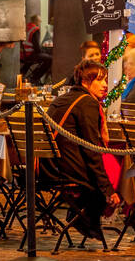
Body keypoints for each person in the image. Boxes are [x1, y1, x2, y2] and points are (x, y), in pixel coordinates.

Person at [45, 62, 120, 240]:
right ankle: (85, 217)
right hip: (66, 171)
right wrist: (108, 189)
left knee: (108, 166)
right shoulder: (87, 103)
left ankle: (81, 213)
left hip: (48, 166)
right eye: (99, 80)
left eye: (105, 80)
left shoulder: (62, 99)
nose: (104, 85)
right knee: (116, 169)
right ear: (85, 81)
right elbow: (91, 150)